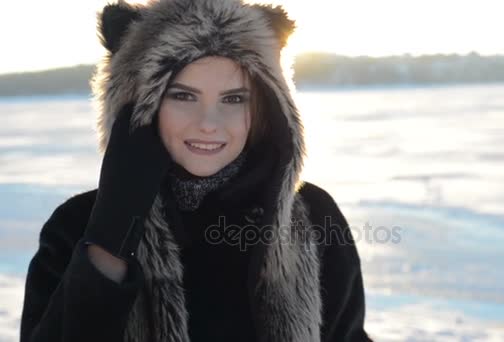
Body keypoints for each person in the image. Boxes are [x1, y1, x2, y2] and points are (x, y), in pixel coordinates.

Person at [19, 0, 373, 341]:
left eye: (233, 99)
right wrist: (112, 233)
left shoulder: (311, 216)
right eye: (183, 96)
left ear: (266, 106)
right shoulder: (74, 226)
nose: (208, 123)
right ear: (142, 102)